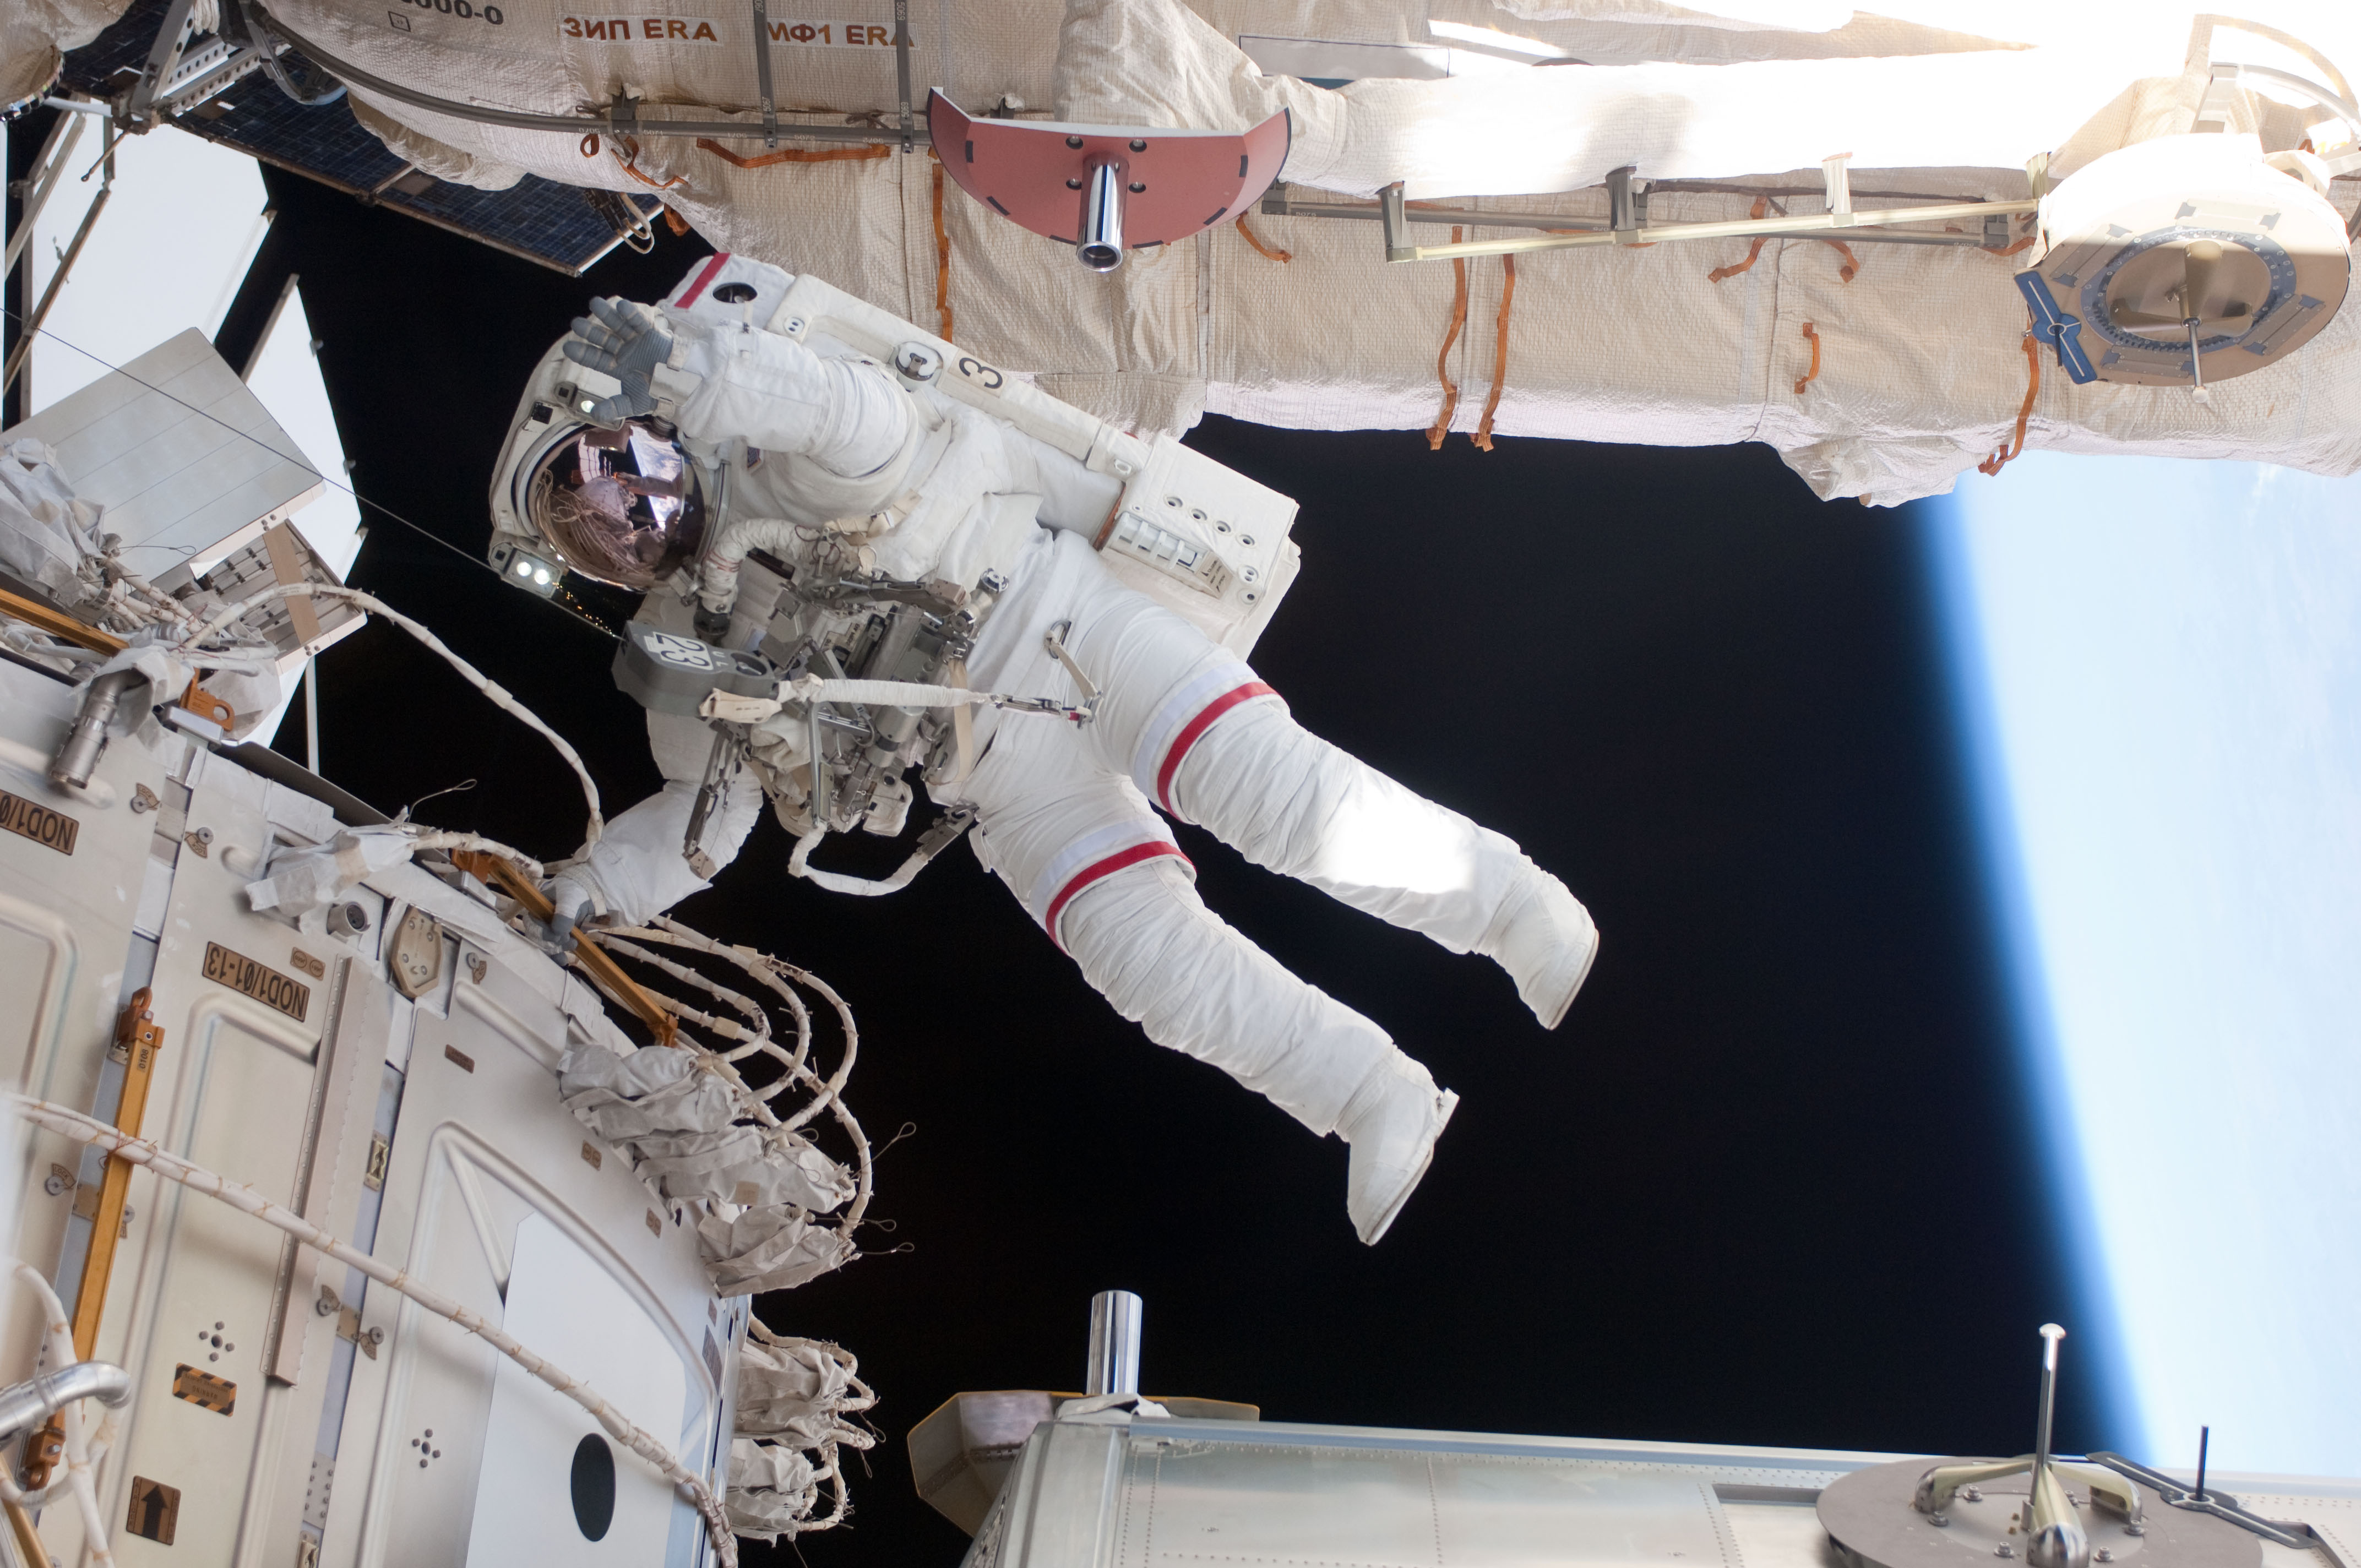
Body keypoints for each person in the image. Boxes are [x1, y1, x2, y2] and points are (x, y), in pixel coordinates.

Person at [498, 256, 1600, 1244]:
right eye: (590, 531)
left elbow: (851, 411)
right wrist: (595, 888)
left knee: (1281, 802)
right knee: (1148, 968)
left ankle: (1513, 909)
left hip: (1063, 628)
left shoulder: (783, 459)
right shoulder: (688, 647)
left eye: (616, 474)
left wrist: (698, 372)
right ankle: (1371, 1096)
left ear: (662, 437)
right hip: (988, 767)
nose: (624, 521)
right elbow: (705, 814)